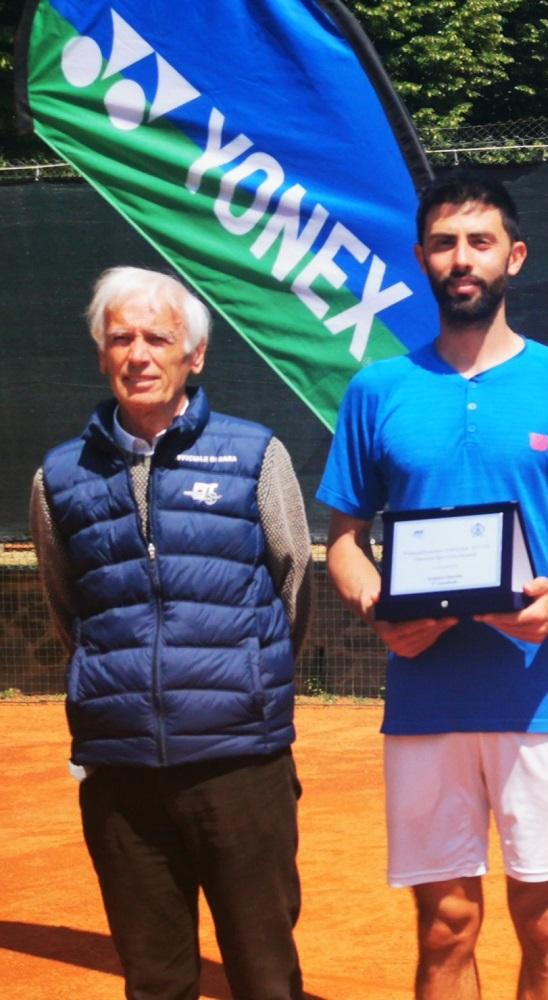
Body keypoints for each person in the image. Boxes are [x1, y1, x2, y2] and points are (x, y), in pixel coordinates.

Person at [317, 169, 548, 1000]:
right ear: (420, 258)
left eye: (480, 243)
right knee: (446, 924)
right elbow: (342, 539)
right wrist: (377, 606)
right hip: (425, 698)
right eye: (445, 243)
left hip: (542, 694)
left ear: (513, 257)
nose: (462, 259)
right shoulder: (378, 389)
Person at [30, 266, 311, 999]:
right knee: (154, 981)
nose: (139, 353)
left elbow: (293, 585)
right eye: (121, 337)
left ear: (196, 354)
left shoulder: (256, 455)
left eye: (159, 336)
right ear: (101, 353)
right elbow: (70, 608)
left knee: (265, 977)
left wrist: (245, 681)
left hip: (240, 764)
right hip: (121, 774)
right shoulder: (60, 476)